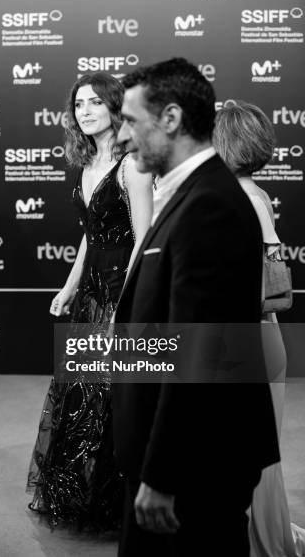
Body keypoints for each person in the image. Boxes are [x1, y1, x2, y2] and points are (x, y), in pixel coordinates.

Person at [112, 58, 280, 556]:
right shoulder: (193, 193)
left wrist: (161, 475)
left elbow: (200, 356)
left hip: (193, 467)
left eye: (130, 120)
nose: (122, 137)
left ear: (170, 119)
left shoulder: (210, 204)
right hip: (180, 458)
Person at [26, 72, 153, 531]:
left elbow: (143, 239)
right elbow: (90, 236)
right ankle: (80, 497)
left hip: (120, 293)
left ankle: (118, 503)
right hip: (91, 295)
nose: (85, 111)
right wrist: (69, 286)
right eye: (79, 104)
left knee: (112, 399)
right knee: (80, 396)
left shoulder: (133, 165)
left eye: (95, 102)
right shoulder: (85, 165)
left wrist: (129, 302)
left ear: (115, 108)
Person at [213, 100, 305, 557]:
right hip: (261, 339)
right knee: (256, 457)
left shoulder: (239, 199)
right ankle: (266, 537)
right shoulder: (256, 193)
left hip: (242, 341)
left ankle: (263, 542)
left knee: (245, 458)